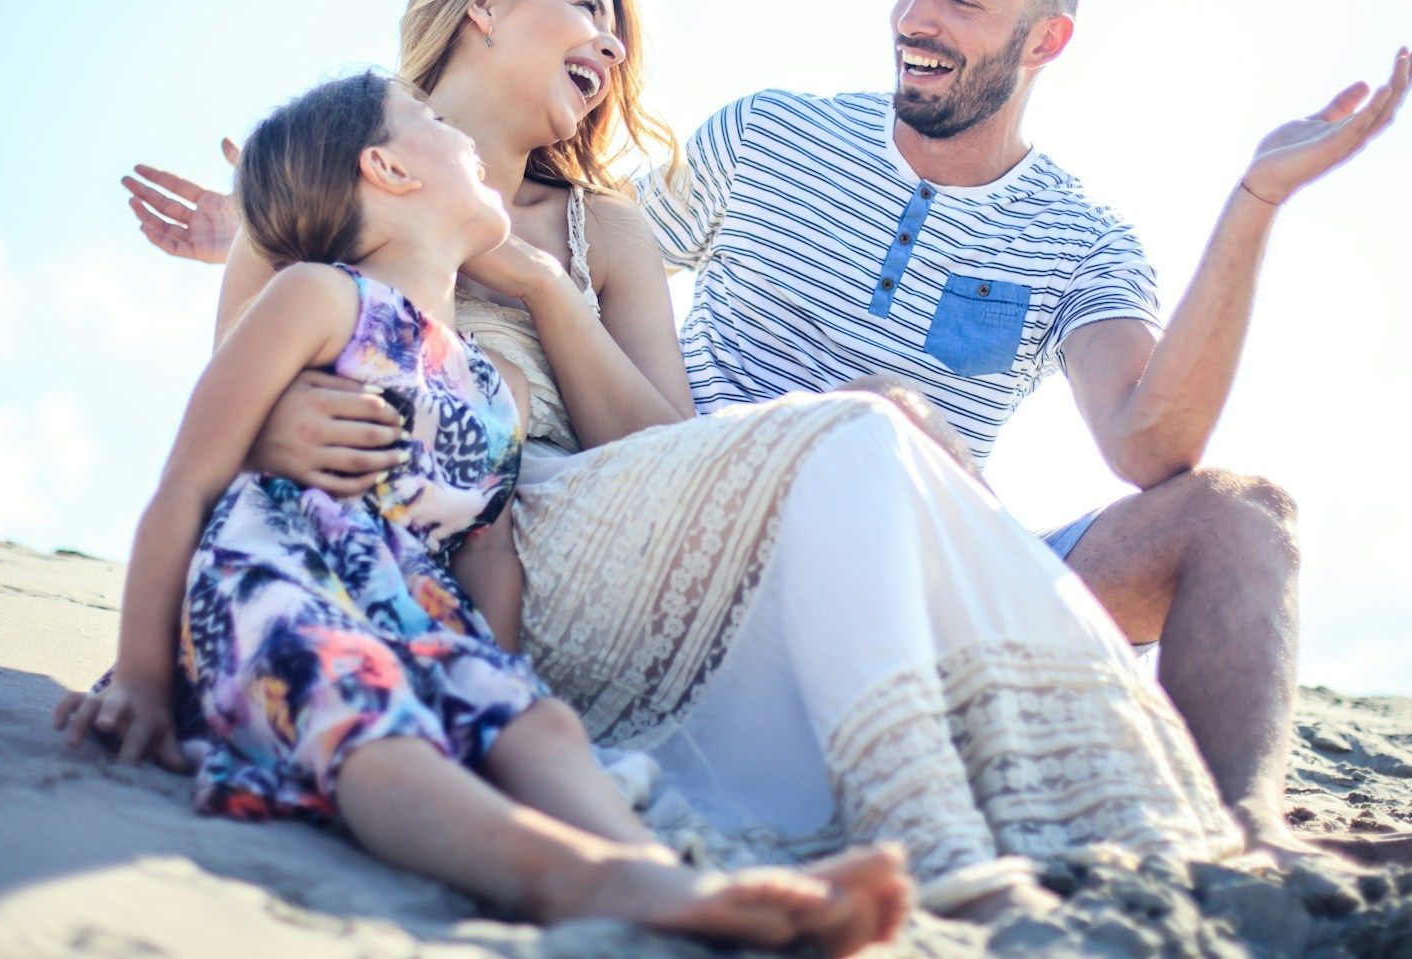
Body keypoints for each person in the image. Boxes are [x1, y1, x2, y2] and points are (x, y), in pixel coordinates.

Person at [117, 0, 1412, 893]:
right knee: (872, 424)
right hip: (654, 526)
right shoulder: (716, 142)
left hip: (918, 526)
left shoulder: (1061, 233)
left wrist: (1255, 198)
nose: (914, 13)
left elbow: (1154, 441)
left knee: (1236, 508)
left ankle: (1236, 823)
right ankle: (1095, 808)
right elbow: (267, 372)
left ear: (1045, 36)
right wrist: (264, 306)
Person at [55, 70, 911, 954]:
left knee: (535, 720)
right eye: (429, 119)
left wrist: (489, 673)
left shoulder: (487, 385)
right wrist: (146, 678)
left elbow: (488, 551)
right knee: (366, 708)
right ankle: (571, 877)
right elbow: (186, 486)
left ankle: (660, 874)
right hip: (277, 583)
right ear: (386, 168)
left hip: (412, 606)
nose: (458, 131)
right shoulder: (317, 299)